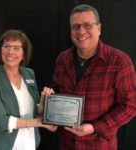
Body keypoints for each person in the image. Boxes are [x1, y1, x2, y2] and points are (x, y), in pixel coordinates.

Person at [52, 4, 136, 150]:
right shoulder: (62, 60)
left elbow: (130, 105)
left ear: (99, 28)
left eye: (87, 25)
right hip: (66, 144)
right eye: (76, 26)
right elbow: (56, 93)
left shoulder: (119, 61)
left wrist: (94, 127)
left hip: (100, 144)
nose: (81, 31)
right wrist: (48, 108)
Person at [0, 29, 57, 150]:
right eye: (6, 46)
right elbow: (1, 121)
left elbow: (34, 109)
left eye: (16, 48)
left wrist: (44, 103)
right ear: (0, 49)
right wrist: (41, 123)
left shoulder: (29, 74)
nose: (10, 52)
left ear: (24, 54)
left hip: (30, 142)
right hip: (4, 145)